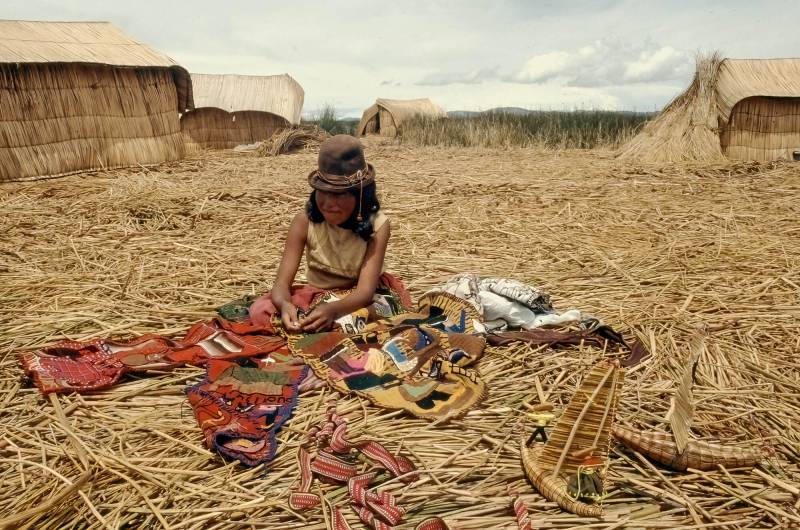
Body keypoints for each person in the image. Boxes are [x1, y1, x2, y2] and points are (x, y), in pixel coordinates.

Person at [249, 134, 396, 333]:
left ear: (360, 195)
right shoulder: (304, 222)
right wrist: (285, 305)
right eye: (322, 191)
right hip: (318, 294)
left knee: (379, 313)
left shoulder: (378, 225)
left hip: (359, 299)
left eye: (337, 194)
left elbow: (364, 291)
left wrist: (334, 310)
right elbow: (281, 283)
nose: (327, 203)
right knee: (260, 310)